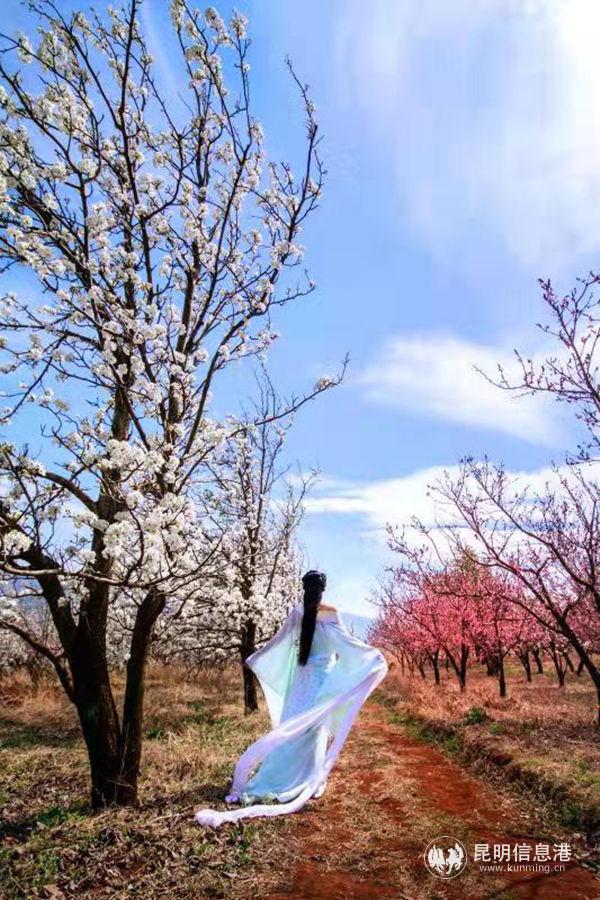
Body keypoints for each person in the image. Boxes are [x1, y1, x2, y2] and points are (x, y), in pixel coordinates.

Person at [195, 570, 388, 828]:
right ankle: (307, 778)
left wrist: (256, 658)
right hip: (321, 681)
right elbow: (346, 644)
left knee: (291, 727)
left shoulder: (297, 612)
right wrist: (373, 658)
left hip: (301, 680)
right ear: (323, 589)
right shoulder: (331, 613)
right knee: (313, 730)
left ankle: (277, 777)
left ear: (304, 588)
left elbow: (280, 642)